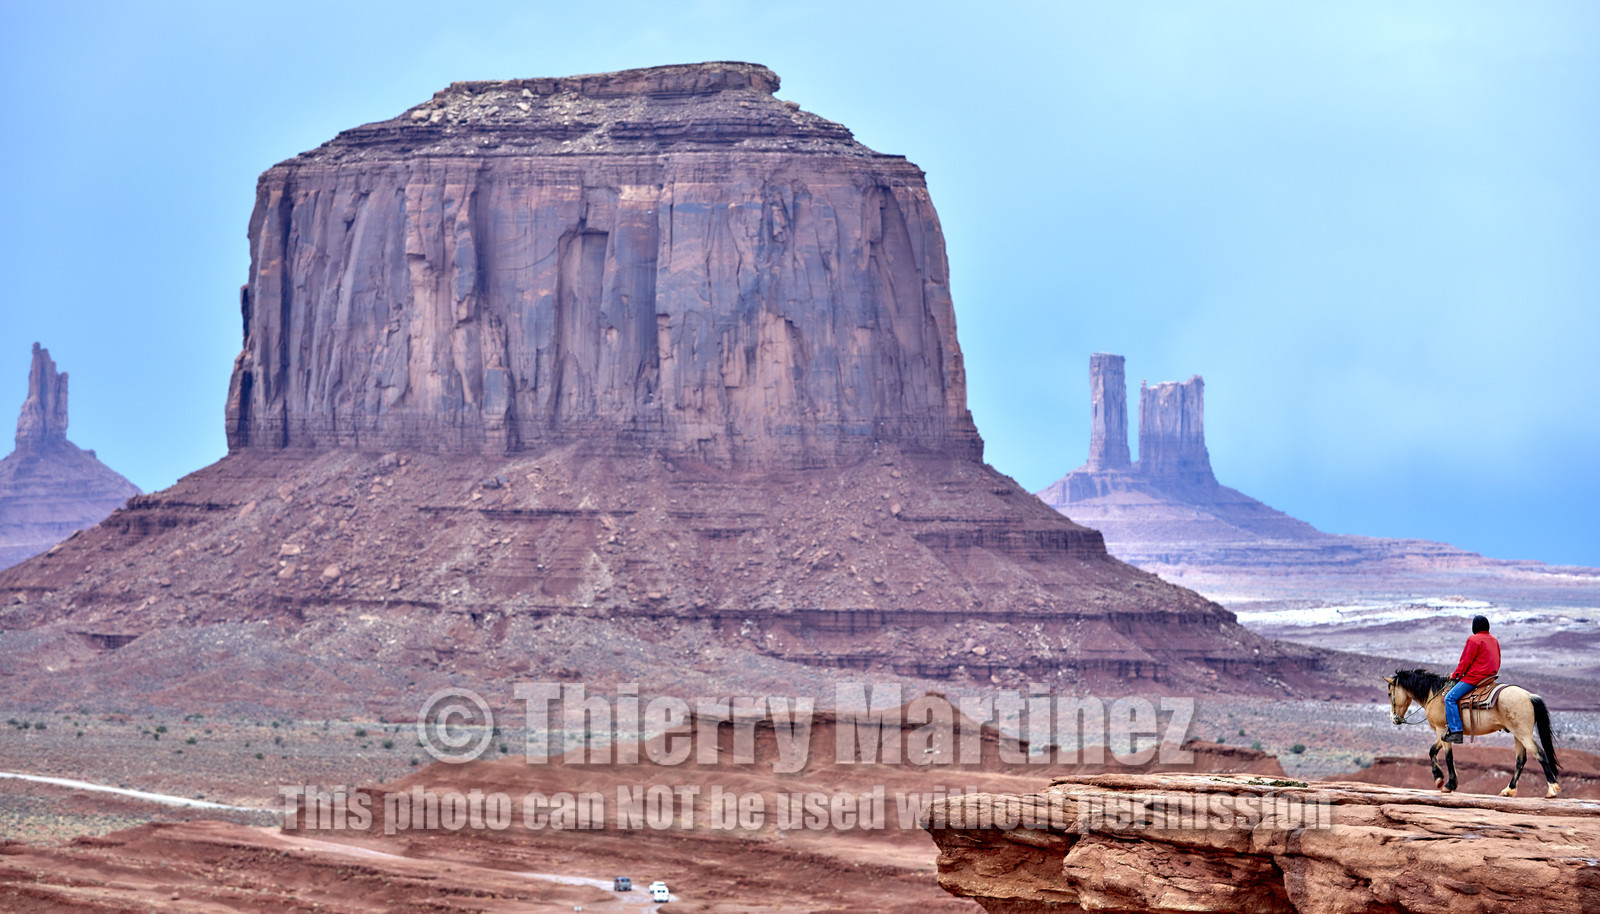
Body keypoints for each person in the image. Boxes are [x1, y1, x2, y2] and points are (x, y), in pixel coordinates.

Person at [1443, 615, 1499, 743]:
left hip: (1475, 678)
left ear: (1474, 626)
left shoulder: (1474, 639)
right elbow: (1498, 660)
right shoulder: (1494, 640)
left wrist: (1455, 675)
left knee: (1450, 698)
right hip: (1489, 678)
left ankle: (1456, 732)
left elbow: (1465, 662)